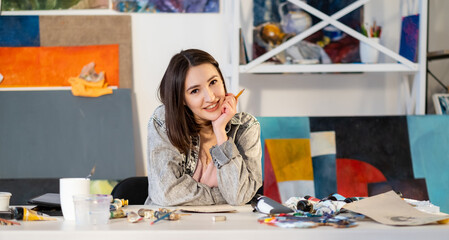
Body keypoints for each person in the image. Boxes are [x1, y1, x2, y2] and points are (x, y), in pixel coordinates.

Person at [145, 49, 262, 206]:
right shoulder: (164, 121)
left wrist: (221, 133)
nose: (210, 97)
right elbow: (166, 193)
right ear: (182, 100)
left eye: (213, 82)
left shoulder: (245, 127)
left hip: (226, 227)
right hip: (172, 225)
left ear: (222, 80)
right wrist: (221, 196)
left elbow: (238, 197)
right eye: (195, 91)